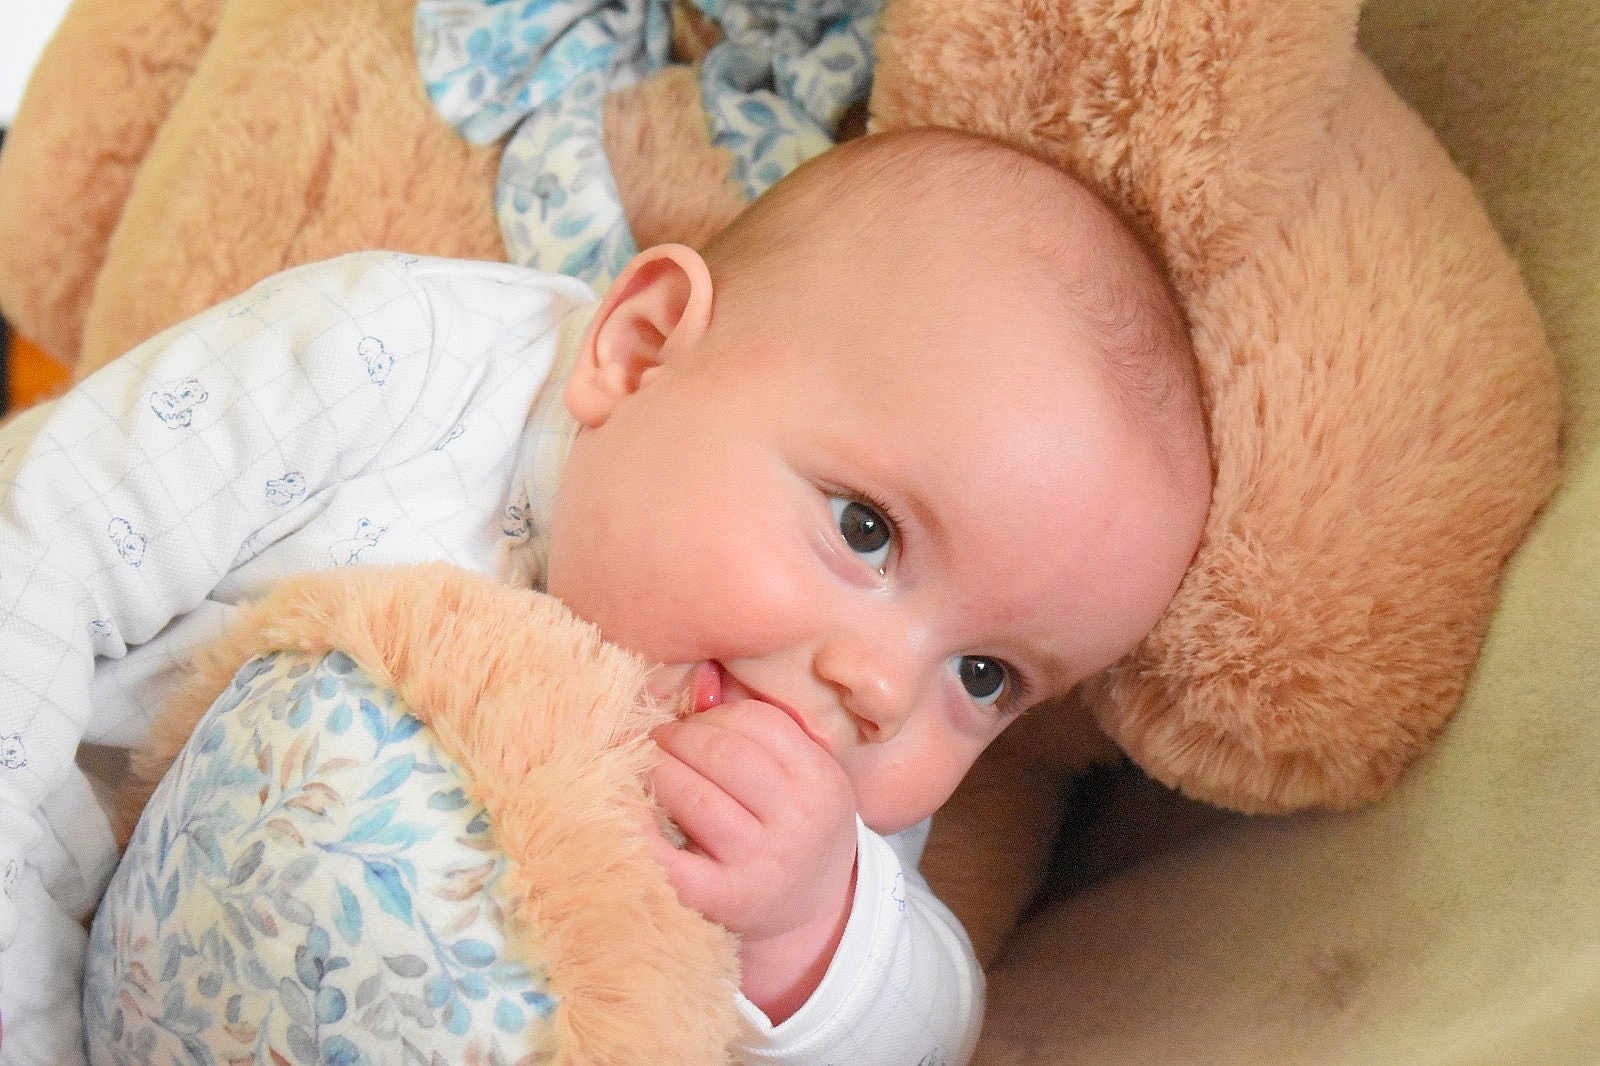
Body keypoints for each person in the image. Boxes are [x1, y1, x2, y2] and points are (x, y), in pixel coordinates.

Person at [0, 128, 1211, 1064]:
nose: (885, 689)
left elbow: (933, 1020)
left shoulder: (811, 802)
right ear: (636, 350)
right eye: (865, 529)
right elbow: (46, 545)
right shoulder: (404, 360)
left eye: (985, 675)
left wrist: (807, 932)